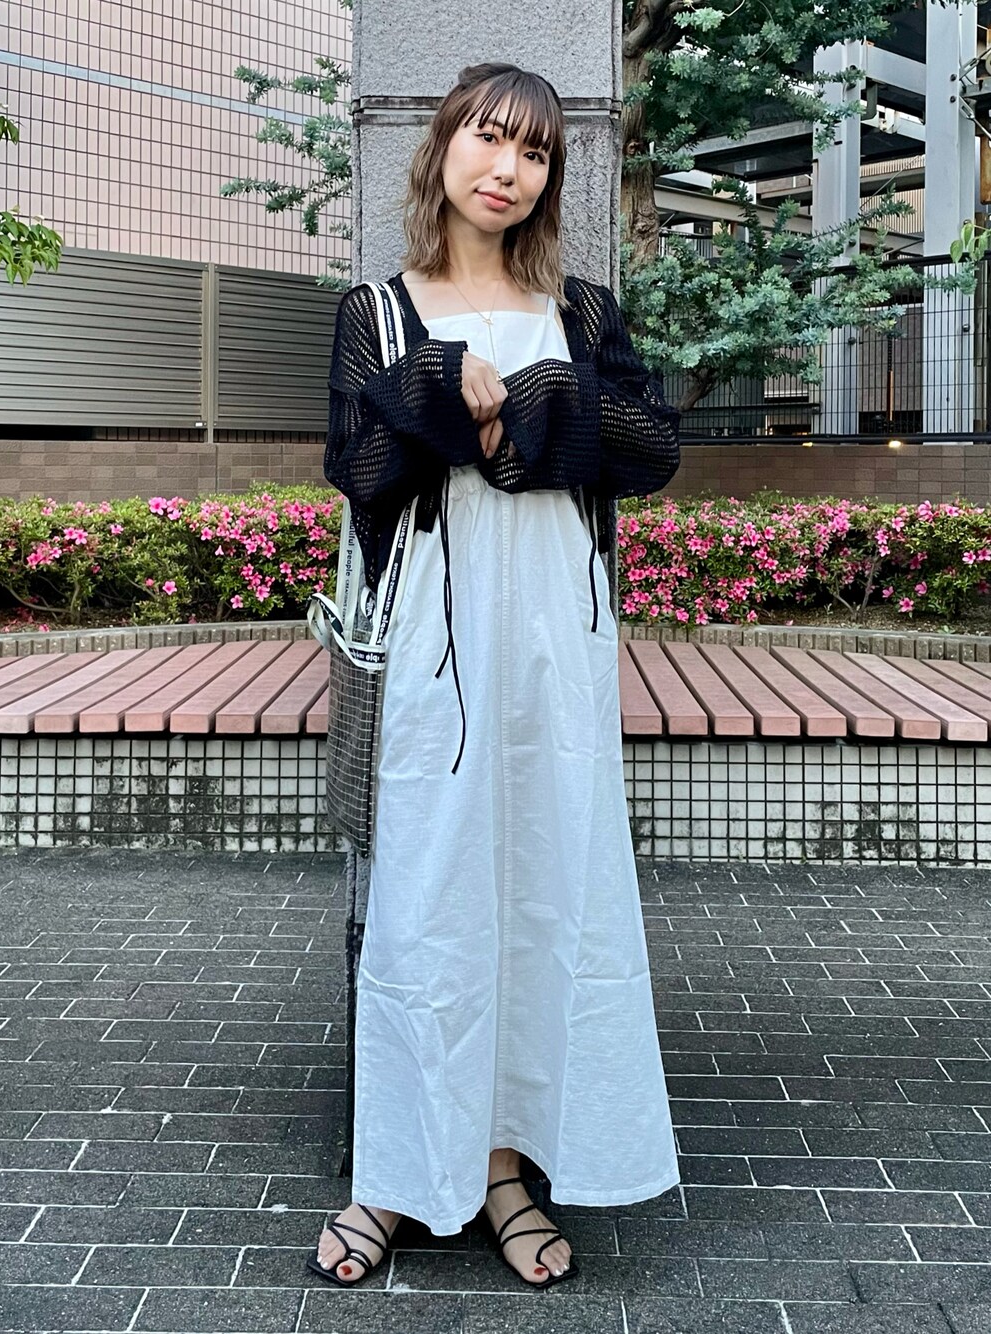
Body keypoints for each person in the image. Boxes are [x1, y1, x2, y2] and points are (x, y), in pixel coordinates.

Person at [309, 60, 681, 1291]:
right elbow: (359, 472)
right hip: (433, 637)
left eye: (533, 150)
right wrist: (426, 389)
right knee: (425, 897)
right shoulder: (377, 311)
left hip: (556, 645)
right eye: (487, 138)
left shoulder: (581, 311)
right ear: (442, 151)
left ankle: (506, 1164)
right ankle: (395, 1172)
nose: (506, 168)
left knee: (544, 889)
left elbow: (652, 450)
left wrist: (544, 399)